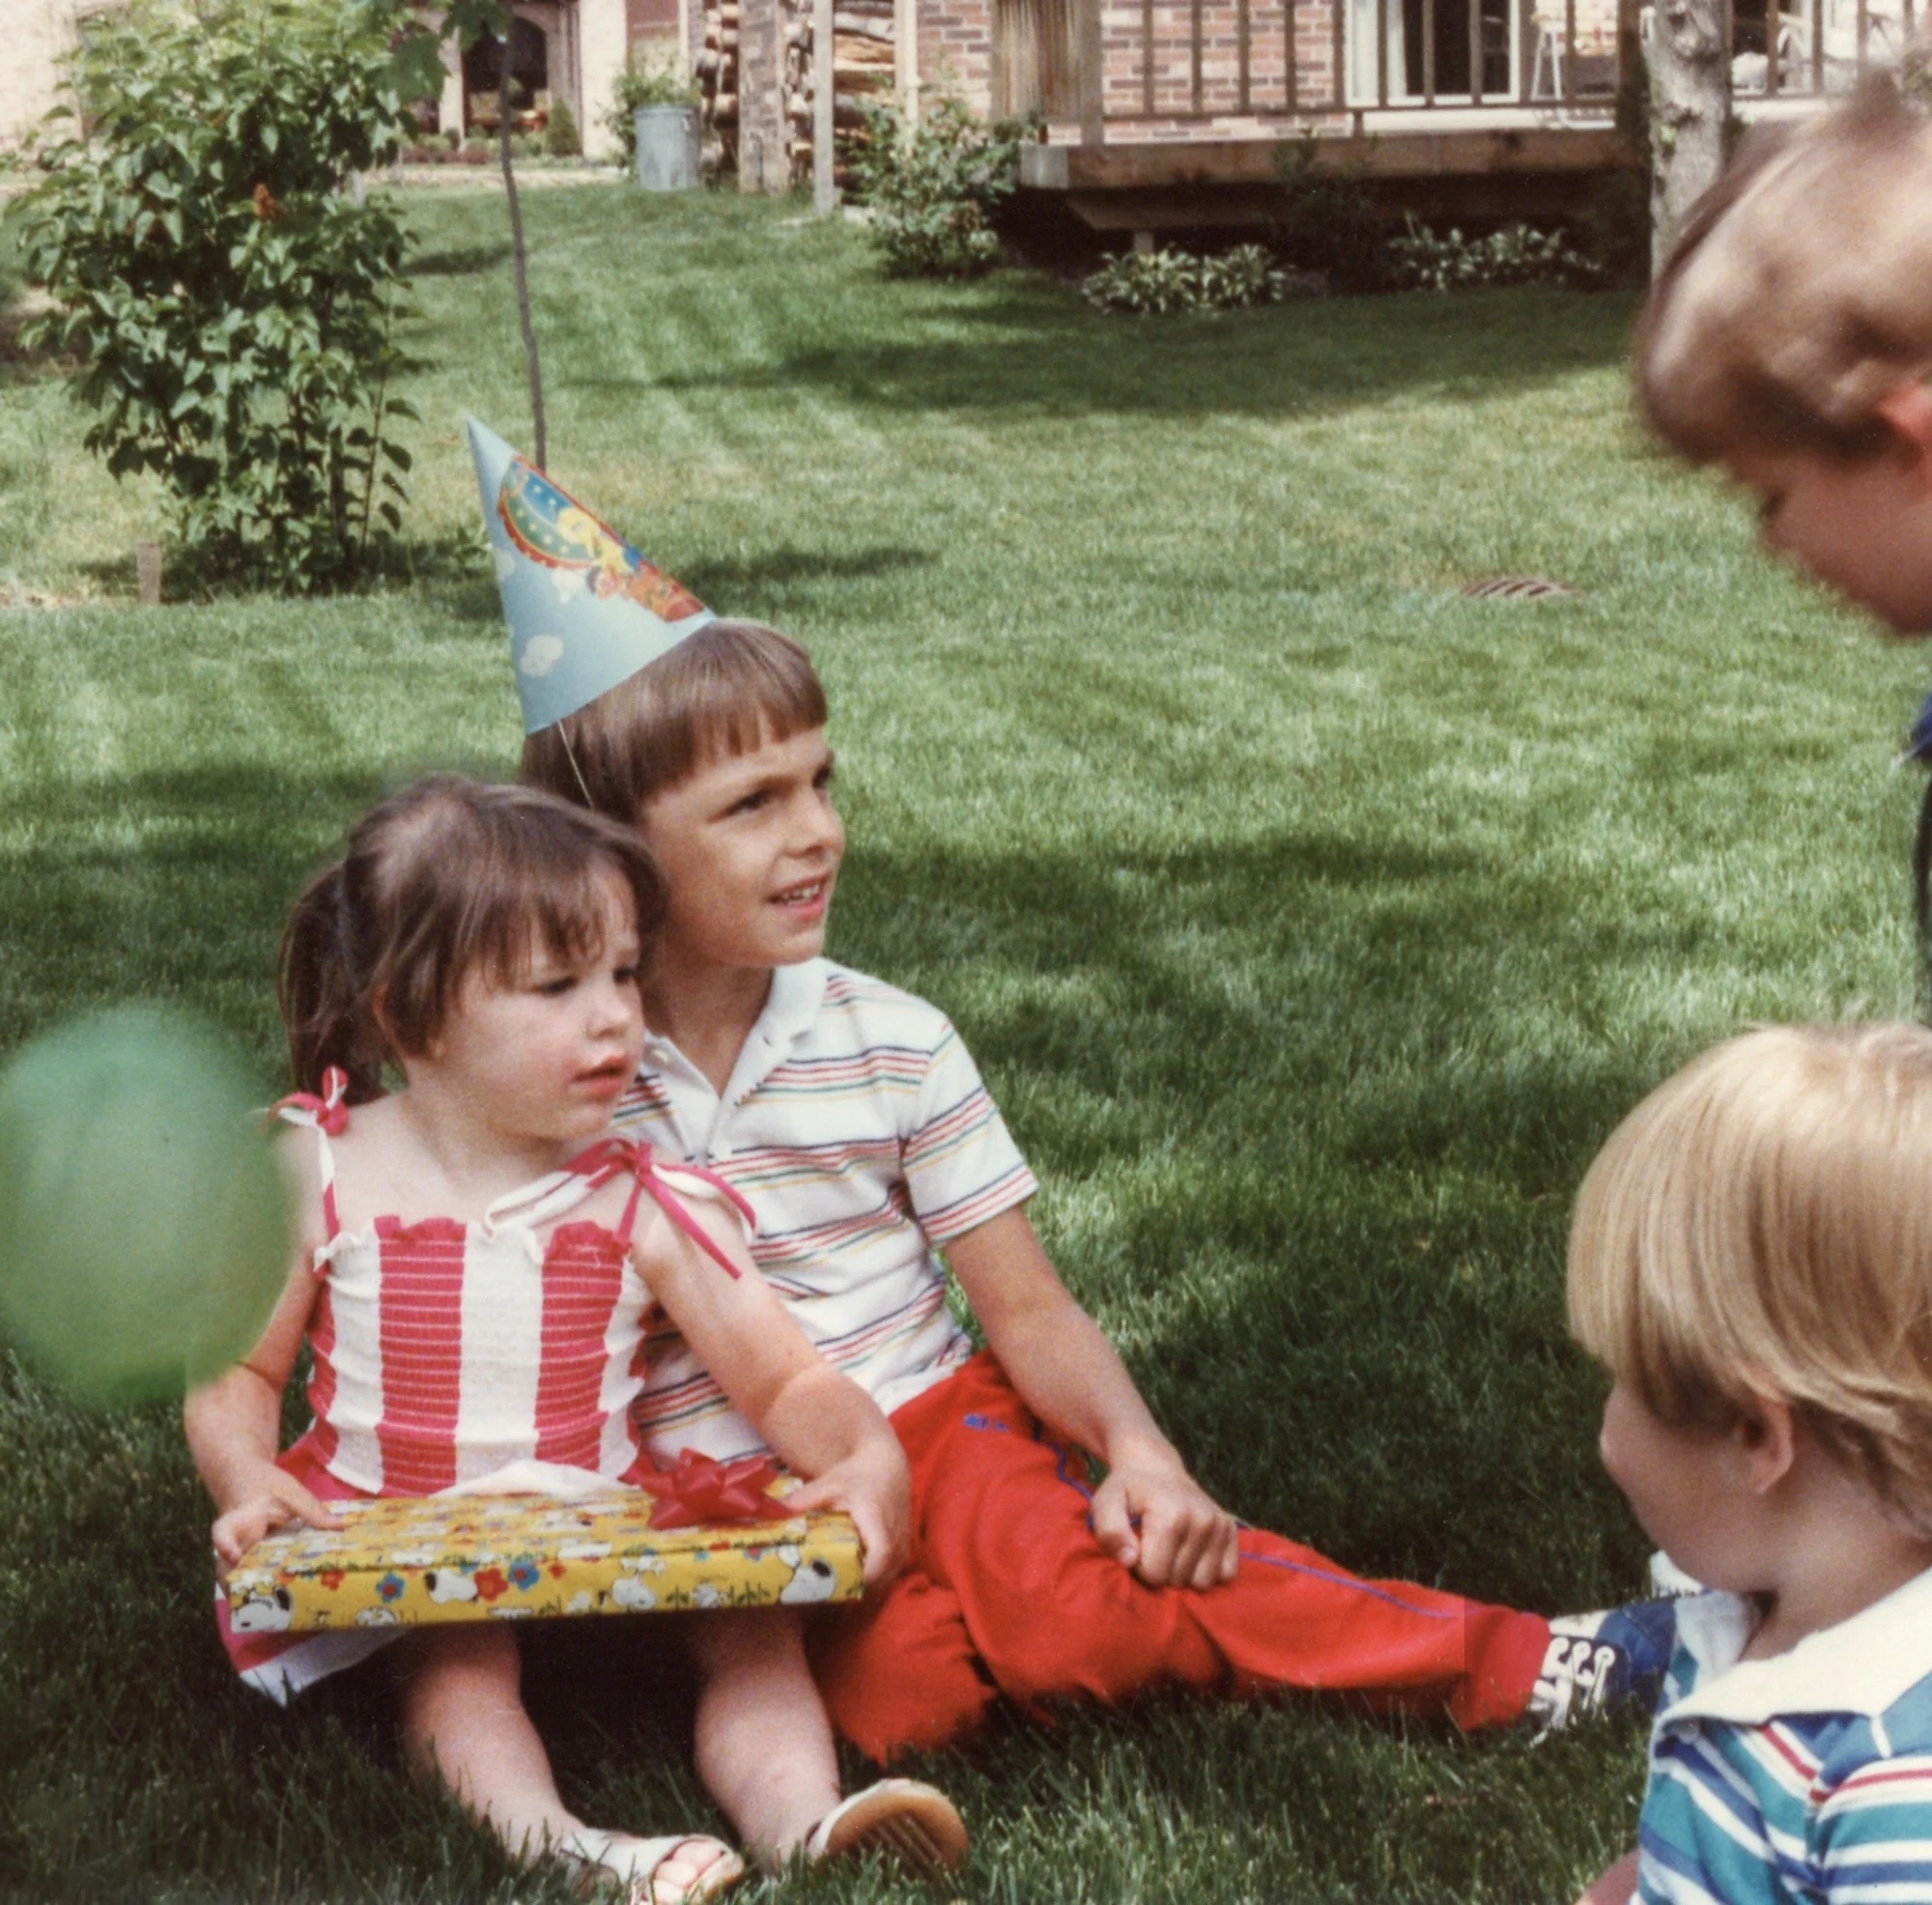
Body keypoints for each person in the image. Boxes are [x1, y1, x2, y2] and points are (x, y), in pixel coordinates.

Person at [521, 618, 1666, 1761]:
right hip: (735, 1490)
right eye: (753, 803)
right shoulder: (557, 1080)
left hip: (931, 1421)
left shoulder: (889, 1039)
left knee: (1083, 1624)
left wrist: (1139, 1450)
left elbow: (1023, 1307)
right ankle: (986, 1626)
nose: (820, 831)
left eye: (822, 781)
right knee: (913, 1717)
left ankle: (1521, 1658)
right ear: (613, 846)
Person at [183, 777, 967, 1905]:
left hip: (600, 1526)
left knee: (754, 1632)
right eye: (558, 985)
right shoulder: (319, 1170)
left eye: (621, 973)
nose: (615, 1017)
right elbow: (237, 1371)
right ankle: (568, 1847)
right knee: (458, 1665)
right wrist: (246, 1477)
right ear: (411, 1016)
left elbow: (781, 1369)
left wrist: (860, 1452)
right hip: (400, 1538)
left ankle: (807, 1820)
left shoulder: (636, 1196)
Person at [1565, 1023, 1932, 1905]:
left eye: (1622, 1383)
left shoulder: (1892, 1779)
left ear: (1755, 1438)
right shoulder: (1754, 1617)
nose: (1604, 1424)